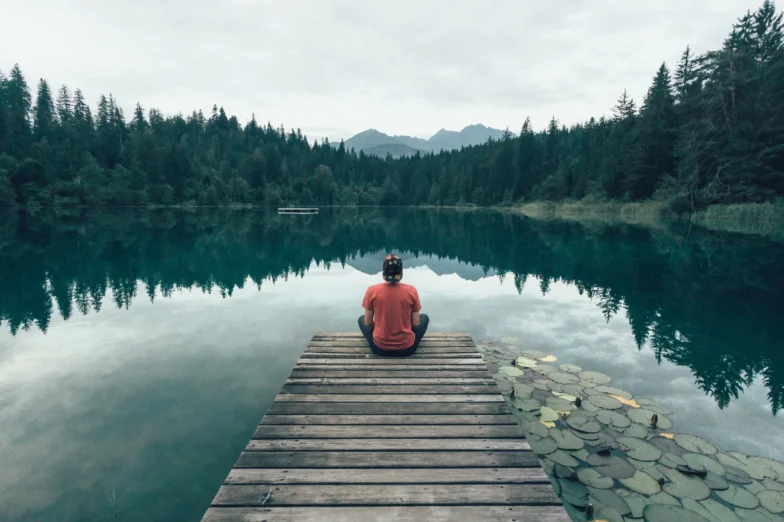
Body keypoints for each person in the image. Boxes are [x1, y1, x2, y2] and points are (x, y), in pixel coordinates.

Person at [358, 254, 429, 356]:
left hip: (379, 348)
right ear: (401, 271)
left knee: (362, 319)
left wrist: (382, 326)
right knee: (424, 318)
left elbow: (368, 323)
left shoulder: (372, 290)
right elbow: (415, 324)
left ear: (384, 272)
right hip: (407, 349)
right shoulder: (411, 291)